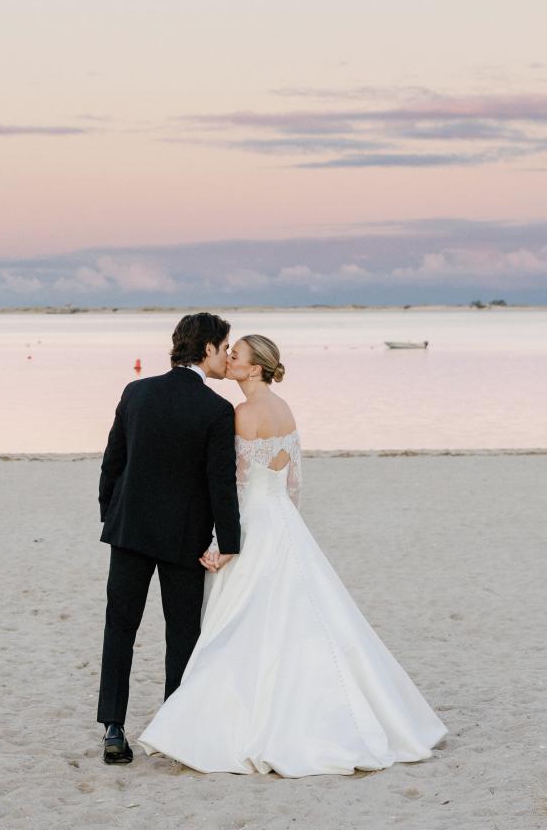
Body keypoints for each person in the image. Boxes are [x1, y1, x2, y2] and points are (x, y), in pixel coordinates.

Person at [136, 334, 447, 776]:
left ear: (256, 368)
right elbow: (293, 481)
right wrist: (287, 526)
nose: (228, 358)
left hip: (253, 523)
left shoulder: (242, 414)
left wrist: (222, 543)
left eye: (236, 354)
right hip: (282, 519)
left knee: (240, 624)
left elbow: (232, 487)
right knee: (299, 616)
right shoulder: (284, 409)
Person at [95, 312, 240, 765]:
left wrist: (114, 515)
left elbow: (112, 464)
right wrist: (228, 540)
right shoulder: (217, 410)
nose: (226, 356)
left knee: (120, 627)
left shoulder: (136, 392)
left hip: (130, 531)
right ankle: (173, 725)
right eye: (224, 347)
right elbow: (221, 485)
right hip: (185, 538)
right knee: (182, 633)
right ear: (208, 349)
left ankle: (114, 730)